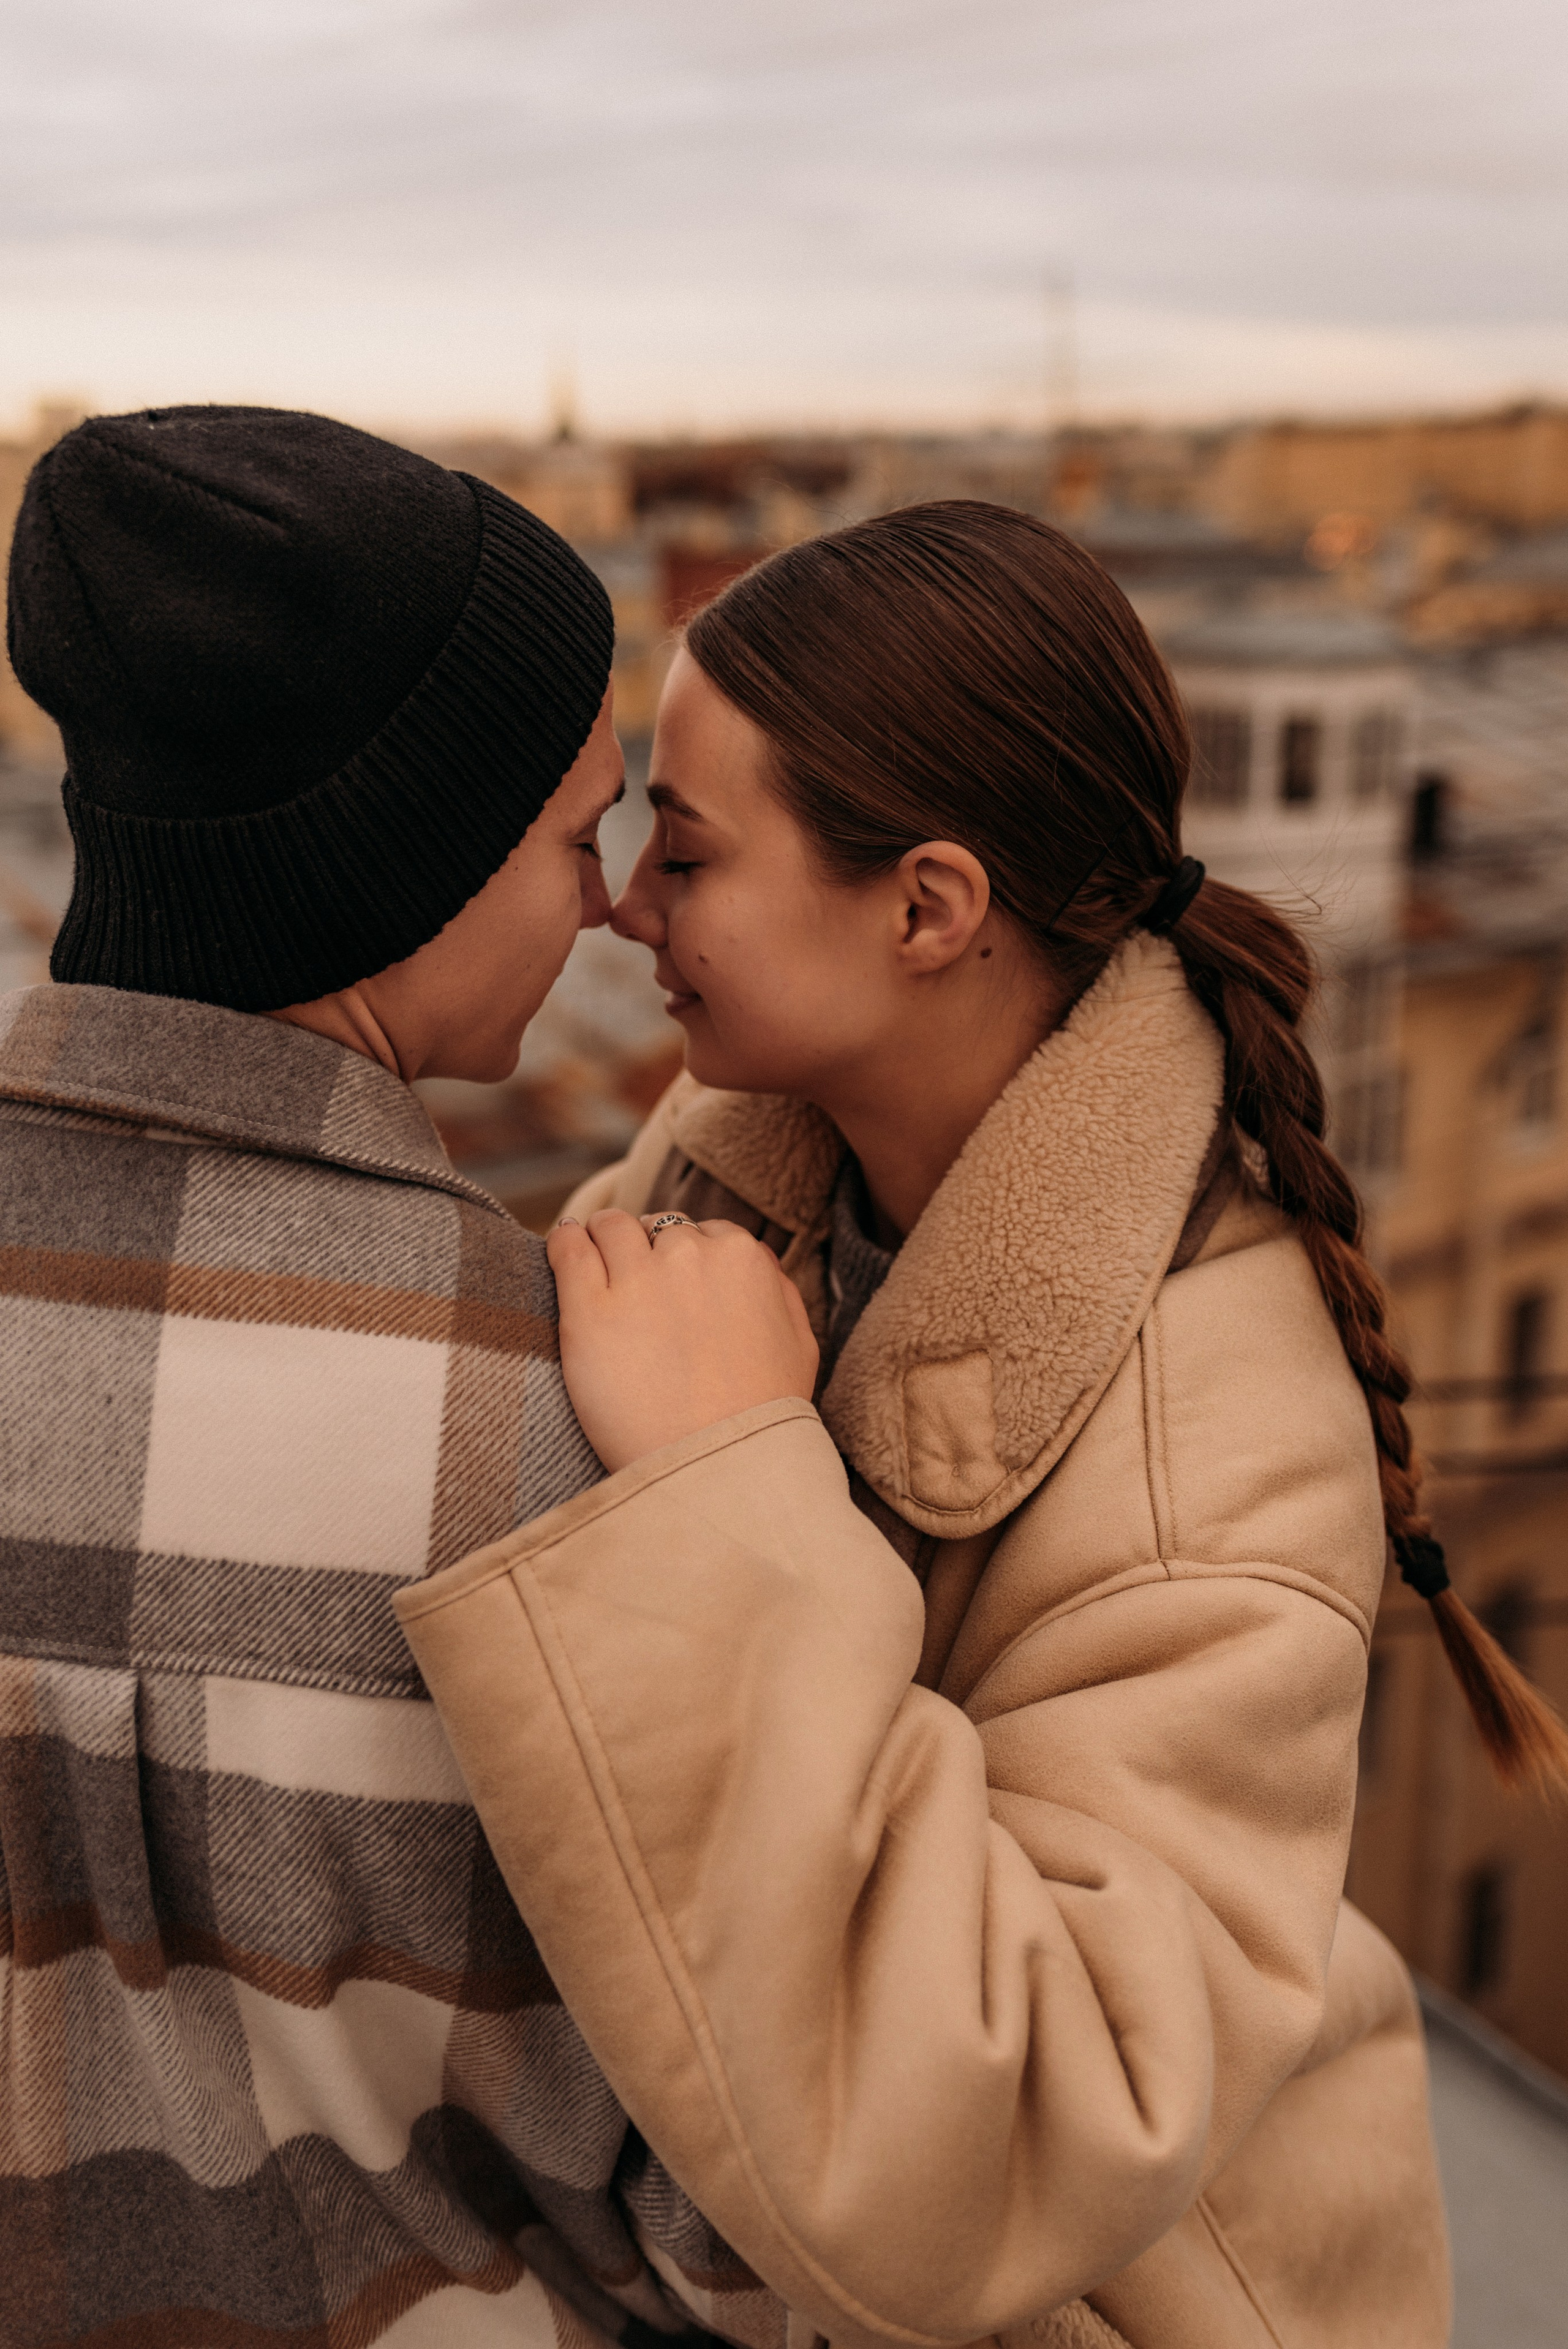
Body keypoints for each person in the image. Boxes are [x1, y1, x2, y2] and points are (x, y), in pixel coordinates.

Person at [401, 503, 1568, 2349]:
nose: (628, 907)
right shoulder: (743, 1165)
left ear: (931, 906)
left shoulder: (1214, 1447)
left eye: (687, 856)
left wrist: (727, 1491)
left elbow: (1024, 2120)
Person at [0, 406, 804, 2349]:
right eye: (567, 839)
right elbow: (754, 2222)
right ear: (399, 862)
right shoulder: (579, 1428)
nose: (610, 906)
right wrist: (757, 1491)